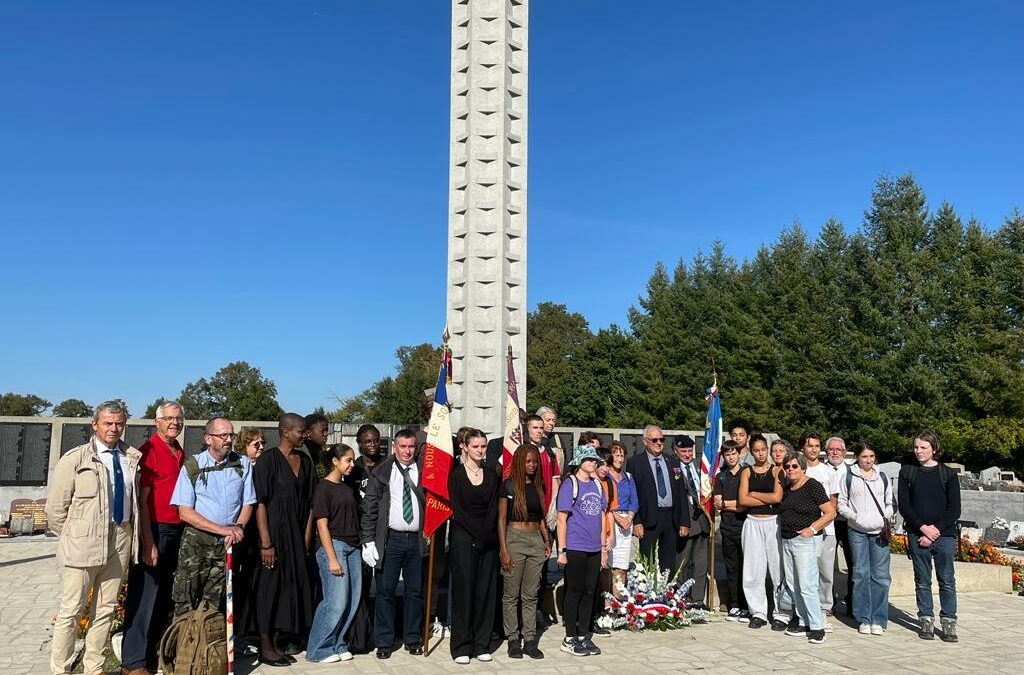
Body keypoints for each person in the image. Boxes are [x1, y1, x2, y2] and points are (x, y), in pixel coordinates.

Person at [47, 401, 142, 675]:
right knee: (71, 612)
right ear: (95, 424)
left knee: (105, 610)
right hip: (83, 543)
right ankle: (60, 669)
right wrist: (73, 536)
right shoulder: (75, 459)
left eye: (119, 424)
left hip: (120, 538)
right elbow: (55, 510)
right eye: (108, 423)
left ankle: (94, 668)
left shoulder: (131, 458)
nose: (114, 428)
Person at [121, 401, 186, 674]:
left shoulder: (178, 450)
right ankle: (133, 662)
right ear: (156, 422)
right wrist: (148, 541)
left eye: (179, 418)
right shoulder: (149, 451)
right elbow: (142, 500)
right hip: (155, 529)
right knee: (144, 596)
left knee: (162, 598)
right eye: (169, 418)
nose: (174, 423)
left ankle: (152, 656)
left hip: (176, 529)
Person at [170, 416, 255, 617]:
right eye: (222, 435)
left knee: (216, 604)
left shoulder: (242, 464)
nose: (228, 439)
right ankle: (183, 647)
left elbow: (248, 502)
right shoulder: (193, 466)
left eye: (230, 434)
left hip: (228, 542)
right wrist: (223, 530)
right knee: (186, 599)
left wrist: (239, 528)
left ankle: (210, 646)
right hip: (197, 542)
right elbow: (185, 512)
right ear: (208, 438)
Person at [253, 413, 316, 666]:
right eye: (301, 431)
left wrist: (306, 537)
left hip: (296, 537)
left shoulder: (305, 461)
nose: (305, 435)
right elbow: (259, 503)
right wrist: (265, 543)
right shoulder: (268, 461)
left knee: (289, 589)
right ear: (285, 432)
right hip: (274, 538)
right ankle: (265, 646)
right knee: (269, 590)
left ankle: (278, 642)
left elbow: (311, 504)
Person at [360, 429, 428, 659]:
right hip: (391, 539)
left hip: (417, 539)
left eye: (411, 447)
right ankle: (384, 641)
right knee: (385, 591)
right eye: (403, 447)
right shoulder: (382, 471)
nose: (407, 451)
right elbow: (370, 508)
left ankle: (412, 638)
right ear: (394, 448)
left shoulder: (424, 470)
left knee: (415, 592)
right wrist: (368, 540)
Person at [898, 430, 960, 642]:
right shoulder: (907, 472)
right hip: (917, 534)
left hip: (944, 535)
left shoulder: (948, 474)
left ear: (934, 449)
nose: (919, 451)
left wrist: (935, 531)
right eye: (916, 447)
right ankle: (925, 619)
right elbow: (905, 506)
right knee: (922, 580)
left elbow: (954, 509)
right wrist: (923, 528)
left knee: (947, 580)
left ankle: (949, 621)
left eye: (923, 447)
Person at [305, 444, 362, 663]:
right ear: (335, 461)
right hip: (334, 546)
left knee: (351, 600)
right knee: (334, 601)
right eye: (348, 460)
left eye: (352, 460)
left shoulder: (347, 488)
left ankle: (337, 643)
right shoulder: (323, 488)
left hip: (353, 547)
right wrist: (331, 558)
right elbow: (321, 525)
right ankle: (318, 649)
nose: (352, 464)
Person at [447, 429, 499, 664]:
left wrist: (485, 536)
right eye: (476, 446)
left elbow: (492, 509)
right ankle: (461, 646)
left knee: (485, 592)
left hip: (488, 541)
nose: (480, 450)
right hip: (464, 539)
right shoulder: (456, 475)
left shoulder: (490, 475)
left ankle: (482, 644)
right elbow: (457, 510)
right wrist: (476, 536)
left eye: (483, 446)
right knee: (464, 592)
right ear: (465, 447)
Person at [777, 452, 836, 645]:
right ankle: (803, 621)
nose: (790, 470)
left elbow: (830, 512)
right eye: (787, 467)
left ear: (802, 467)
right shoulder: (788, 487)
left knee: (808, 585)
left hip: (805, 541)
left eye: (794, 466)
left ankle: (817, 626)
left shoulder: (812, 485)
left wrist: (812, 529)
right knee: (794, 584)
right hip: (788, 539)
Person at [497, 444, 549, 660]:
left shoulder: (539, 485)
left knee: (531, 594)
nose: (532, 465)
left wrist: (546, 540)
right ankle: (512, 639)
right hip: (514, 539)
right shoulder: (508, 486)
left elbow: (541, 517)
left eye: (535, 461)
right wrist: (504, 550)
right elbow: (500, 520)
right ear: (519, 462)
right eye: (528, 461)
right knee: (511, 595)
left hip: (535, 540)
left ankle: (529, 640)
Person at [556, 446, 608, 657]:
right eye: (589, 460)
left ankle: (583, 634)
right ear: (579, 462)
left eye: (595, 460)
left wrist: (603, 547)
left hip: (594, 547)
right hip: (575, 545)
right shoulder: (571, 484)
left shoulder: (597, 484)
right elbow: (561, 518)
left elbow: (602, 514)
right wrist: (562, 550)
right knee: (574, 590)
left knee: (589, 591)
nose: (593, 463)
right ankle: (569, 636)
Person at [837, 442, 893, 636]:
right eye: (864, 457)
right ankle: (863, 618)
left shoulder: (882, 477)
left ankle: (878, 618)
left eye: (871, 456)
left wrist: (883, 517)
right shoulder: (848, 477)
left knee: (881, 577)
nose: (868, 460)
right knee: (860, 574)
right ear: (857, 458)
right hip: (857, 530)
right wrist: (854, 516)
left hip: (878, 531)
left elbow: (889, 503)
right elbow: (841, 504)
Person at [628, 425, 690, 575]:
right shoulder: (635, 462)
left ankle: (667, 596)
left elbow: (681, 493)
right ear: (645, 441)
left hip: (670, 518)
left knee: (668, 563)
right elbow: (632, 493)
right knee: (646, 563)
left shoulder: (673, 462)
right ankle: (646, 596)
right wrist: (636, 521)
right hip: (649, 519)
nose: (658, 443)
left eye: (661, 439)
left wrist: (684, 521)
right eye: (654, 439)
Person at [738, 433, 784, 630]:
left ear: (768, 449)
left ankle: (781, 612)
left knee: (777, 569)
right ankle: (758, 612)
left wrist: (755, 494)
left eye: (763, 450)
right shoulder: (746, 472)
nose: (761, 453)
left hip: (773, 522)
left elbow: (777, 498)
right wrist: (765, 497)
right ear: (752, 451)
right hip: (753, 522)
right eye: (756, 450)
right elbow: (743, 500)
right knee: (753, 569)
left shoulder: (777, 471)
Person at [799, 431, 841, 629]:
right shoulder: (798, 469)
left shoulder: (828, 472)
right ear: (803, 448)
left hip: (826, 529)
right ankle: (806, 607)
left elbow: (833, 503)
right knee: (806, 571)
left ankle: (825, 606)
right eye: (810, 446)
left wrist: (822, 523)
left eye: (817, 446)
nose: (814, 449)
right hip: (803, 529)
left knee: (825, 571)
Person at [674, 434, 710, 609]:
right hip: (686, 520)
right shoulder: (673, 468)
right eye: (683, 451)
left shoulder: (700, 467)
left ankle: (697, 599)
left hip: (703, 520)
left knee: (701, 562)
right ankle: (682, 596)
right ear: (676, 451)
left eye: (690, 451)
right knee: (683, 562)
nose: (687, 455)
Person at [713, 441, 748, 622]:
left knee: (747, 568)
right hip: (727, 528)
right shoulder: (721, 477)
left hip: (746, 528)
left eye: (734, 453)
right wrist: (735, 504)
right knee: (732, 568)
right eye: (727, 455)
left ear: (739, 454)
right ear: (724, 457)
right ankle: (735, 604)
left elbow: (746, 504)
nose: (731, 457)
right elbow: (718, 503)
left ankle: (746, 605)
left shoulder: (747, 473)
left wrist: (731, 505)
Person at [824, 436, 854, 615]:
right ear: (826, 451)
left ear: (844, 452)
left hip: (847, 522)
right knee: (826, 564)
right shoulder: (820, 469)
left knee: (854, 563)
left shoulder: (852, 471)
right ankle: (828, 602)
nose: (834, 452)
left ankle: (852, 601)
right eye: (831, 449)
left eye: (838, 450)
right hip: (827, 521)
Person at [604, 441, 637, 591]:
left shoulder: (628, 476)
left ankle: (618, 602)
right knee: (608, 565)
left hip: (626, 524)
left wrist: (628, 519)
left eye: (622, 455)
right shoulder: (605, 476)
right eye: (616, 455)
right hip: (610, 520)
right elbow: (605, 502)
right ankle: (607, 605)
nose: (619, 459)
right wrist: (618, 519)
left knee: (622, 566)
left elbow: (634, 501)